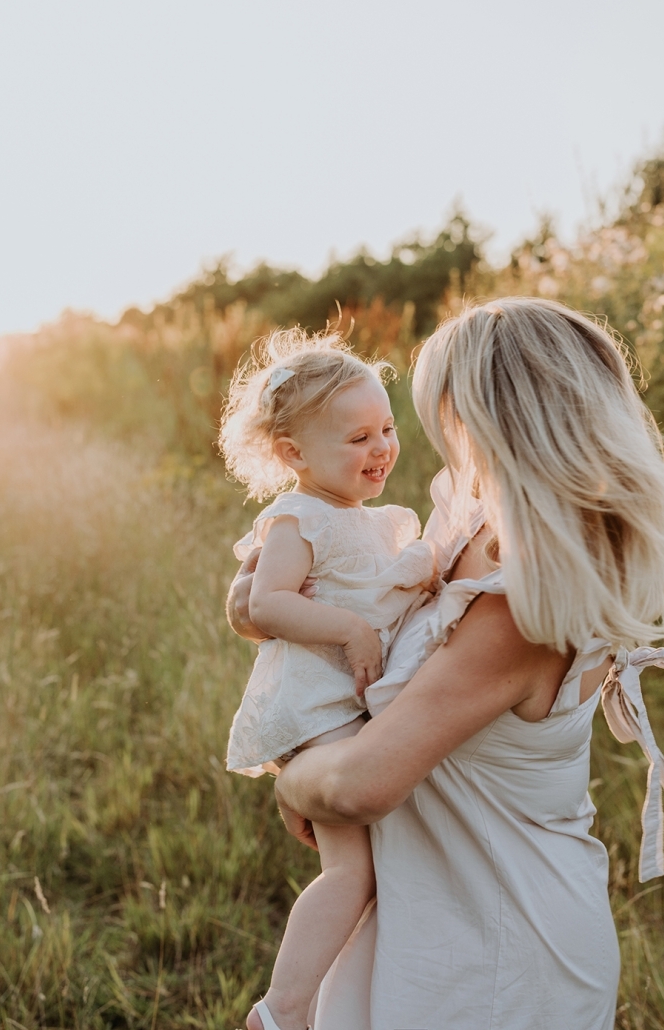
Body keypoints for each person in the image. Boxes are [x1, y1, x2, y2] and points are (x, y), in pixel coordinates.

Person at [229, 298, 664, 1030]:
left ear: (486, 416)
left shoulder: (521, 603)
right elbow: (356, 601)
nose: (427, 437)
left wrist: (296, 782)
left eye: (432, 413)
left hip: (501, 941)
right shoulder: (469, 524)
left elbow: (360, 787)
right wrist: (254, 596)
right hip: (432, 909)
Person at [219, 328, 436, 1030]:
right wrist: (349, 628)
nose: (380, 449)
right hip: (313, 705)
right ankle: (283, 1011)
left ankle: (330, 1003)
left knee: (373, 868)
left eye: (385, 429)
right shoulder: (300, 516)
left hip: (342, 705)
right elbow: (263, 604)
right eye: (357, 439)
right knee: (352, 871)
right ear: (294, 455)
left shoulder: (379, 521)